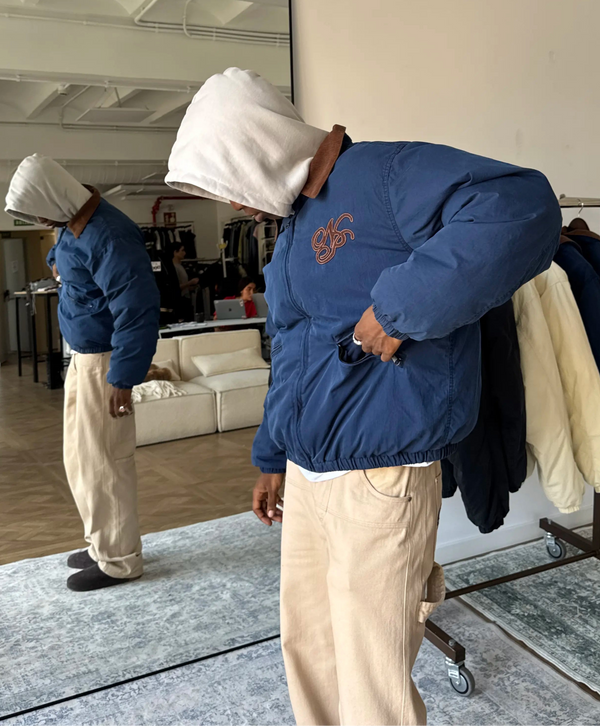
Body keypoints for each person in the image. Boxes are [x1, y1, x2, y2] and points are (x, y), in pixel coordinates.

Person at [166, 68, 561, 725]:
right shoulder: (293, 227)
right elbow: (291, 349)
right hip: (309, 472)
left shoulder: (385, 173)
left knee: (371, 676)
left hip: (382, 473)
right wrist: (272, 456)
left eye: (227, 183)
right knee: (309, 646)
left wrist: (400, 307)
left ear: (255, 147)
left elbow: (523, 206)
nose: (233, 204)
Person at [5, 154, 160, 593]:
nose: (39, 220)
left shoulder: (109, 234)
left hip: (106, 361)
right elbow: (63, 252)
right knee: (81, 461)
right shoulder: (70, 221)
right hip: (84, 356)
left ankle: (119, 560)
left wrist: (123, 377)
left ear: (54, 196)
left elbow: (138, 309)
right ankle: (102, 544)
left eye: (38, 210)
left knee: (105, 463)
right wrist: (56, 261)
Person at [171, 241, 199, 320]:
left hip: (186, 298)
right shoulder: (174, 268)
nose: (184, 253)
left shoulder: (180, 266)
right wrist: (190, 282)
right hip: (181, 300)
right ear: (175, 252)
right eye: (182, 250)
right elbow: (176, 287)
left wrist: (191, 287)